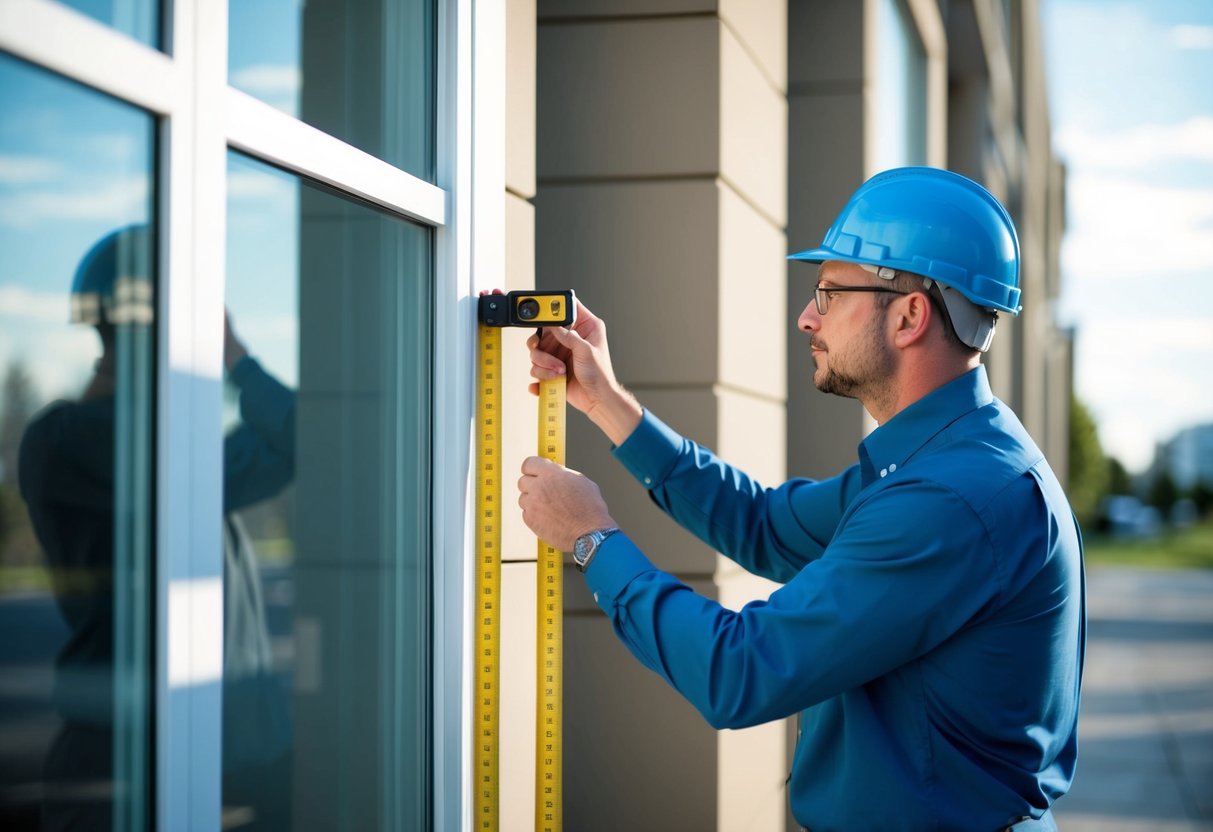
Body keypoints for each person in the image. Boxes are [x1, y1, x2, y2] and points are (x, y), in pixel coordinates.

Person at [516, 167, 1085, 831]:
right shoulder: (939, 460)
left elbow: (741, 671)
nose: (806, 316)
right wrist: (609, 405)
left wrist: (592, 539)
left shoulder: (950, 499)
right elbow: (762, 525)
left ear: (909, 315)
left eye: (829, 292)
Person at [19, 225, 294, 830]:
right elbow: (296, 436)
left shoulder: (168, 446)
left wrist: (234, 361)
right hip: (126, 756)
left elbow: (297, 438)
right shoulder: (74, 439)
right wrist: (237, 361)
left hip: (226, 746)